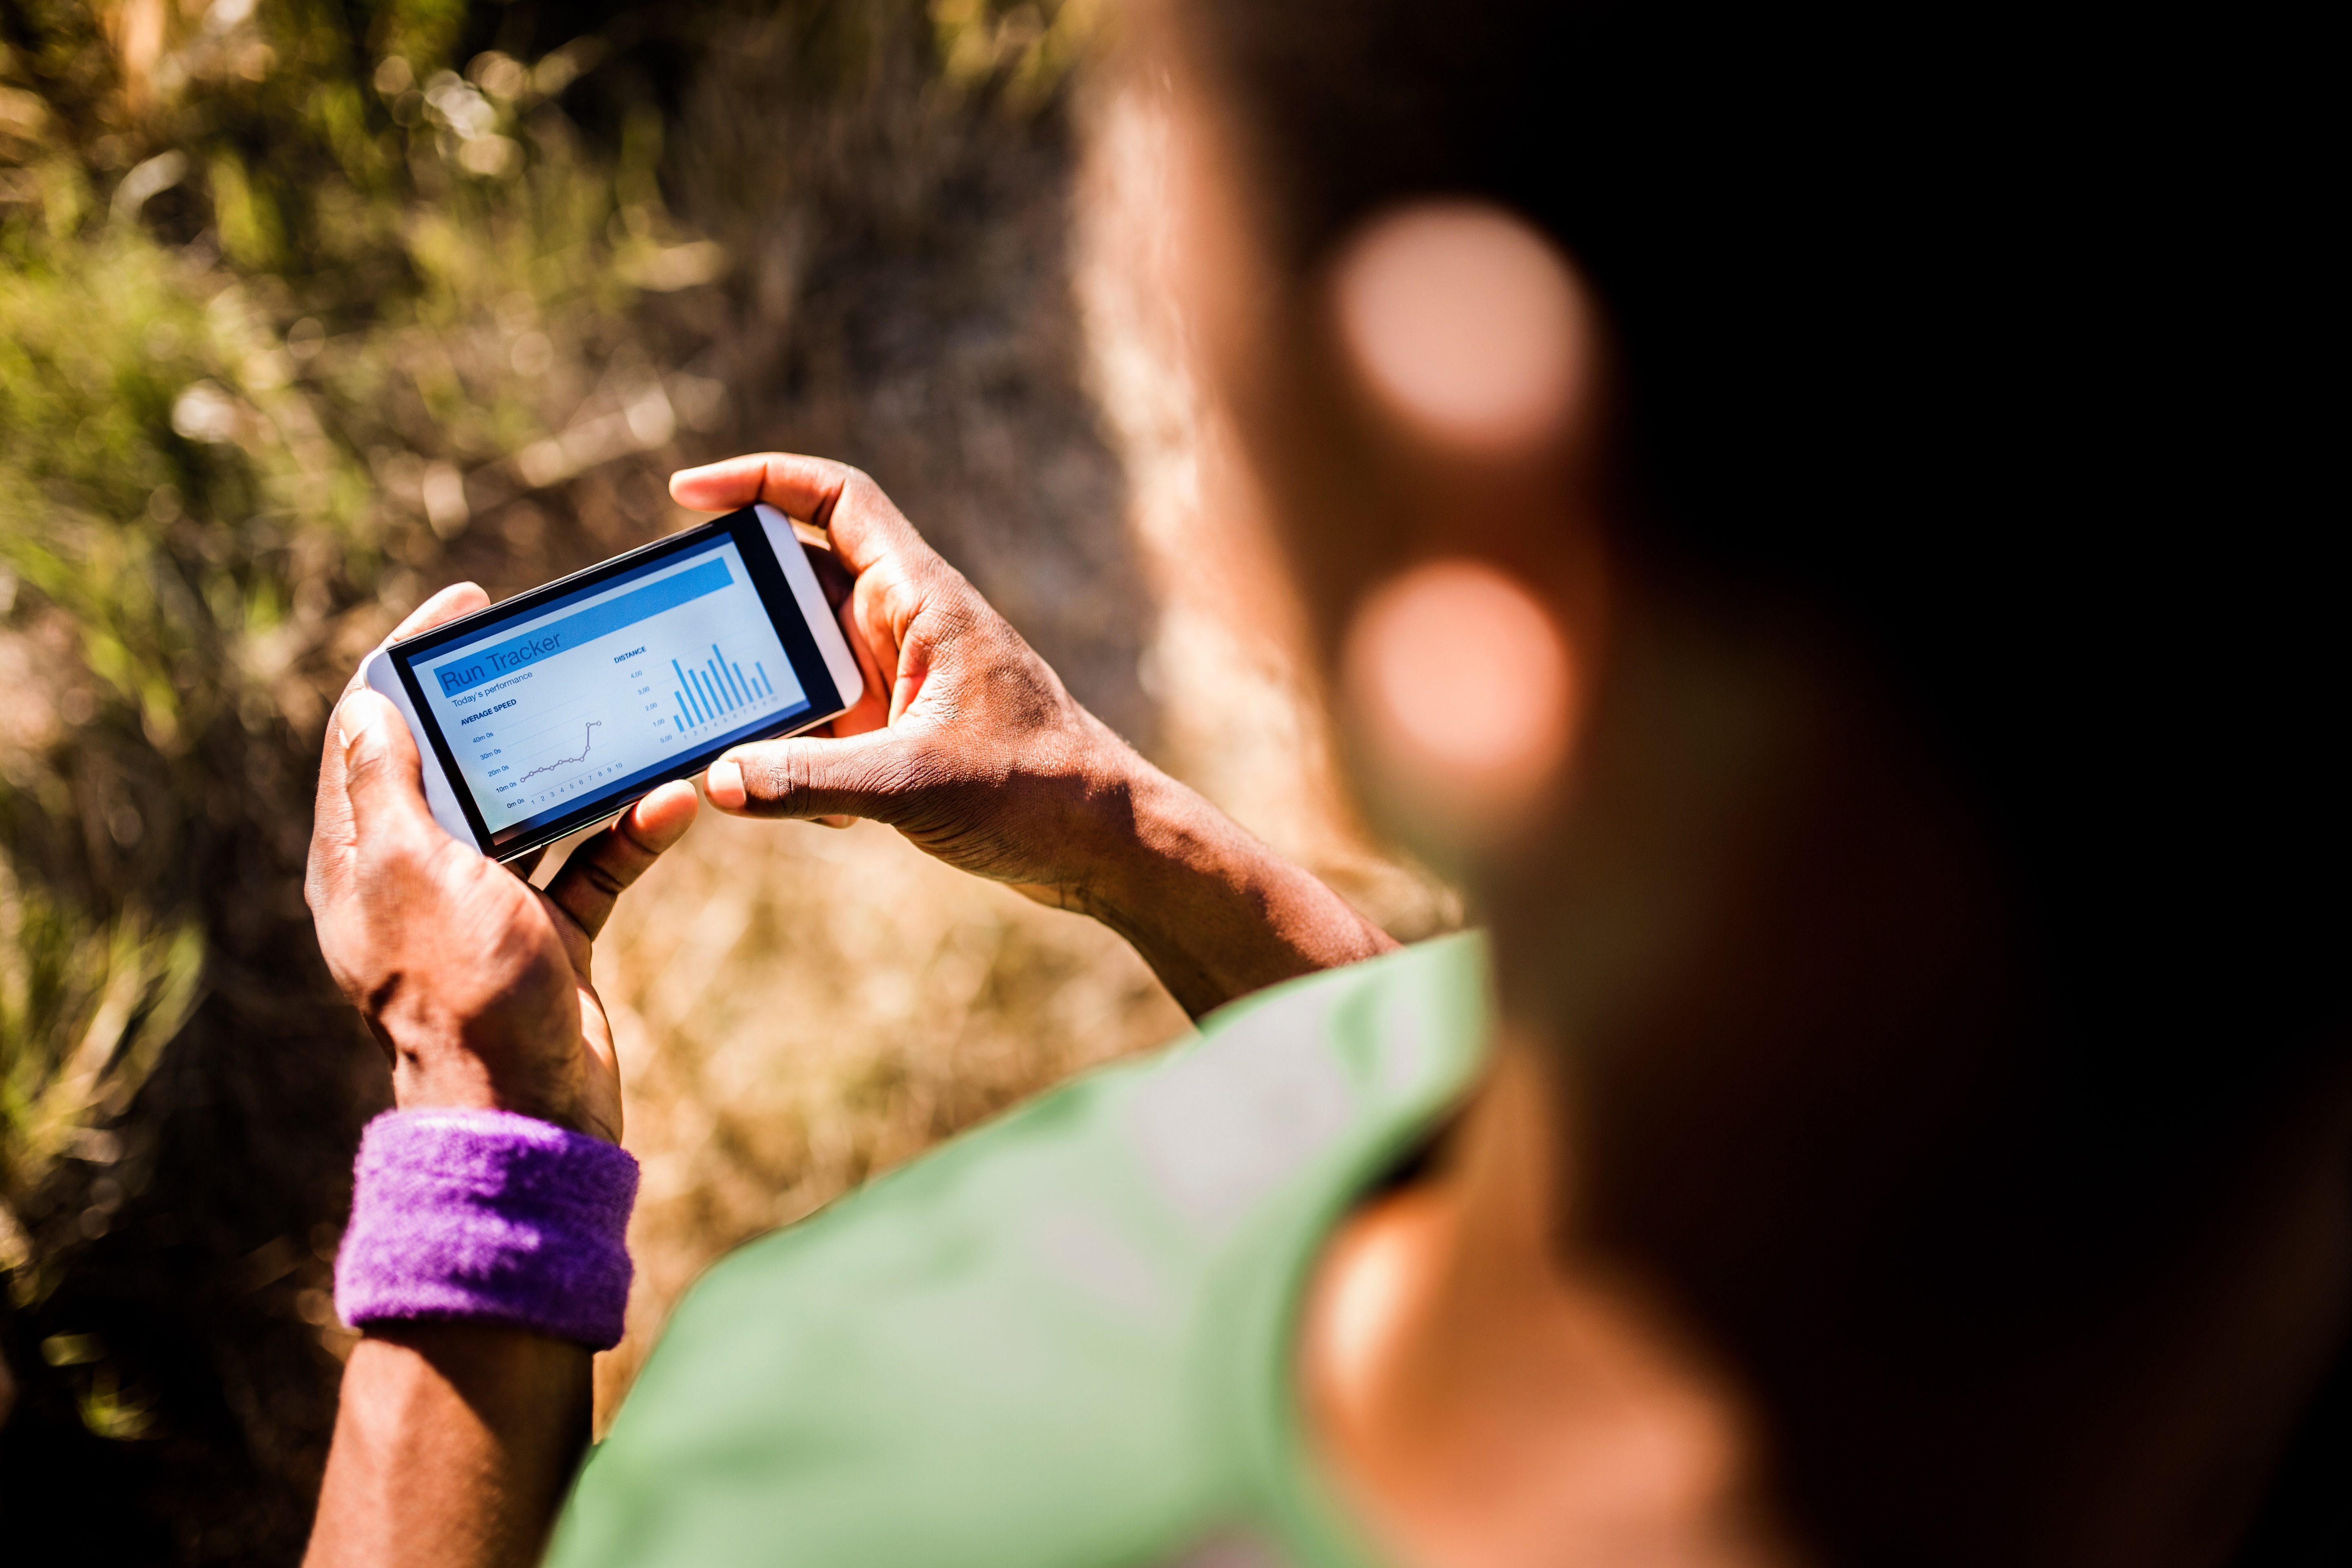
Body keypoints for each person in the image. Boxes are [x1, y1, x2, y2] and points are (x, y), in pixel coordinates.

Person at [300, 4, 2343, 1566]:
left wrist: (488, 1133)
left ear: (1489, 519)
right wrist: (1118, 828)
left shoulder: (857, 1464)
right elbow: (1442, 1058)